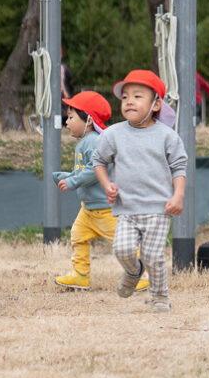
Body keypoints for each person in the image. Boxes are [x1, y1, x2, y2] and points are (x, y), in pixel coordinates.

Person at [93, 70, 187, 313]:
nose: (129, 101)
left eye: (137, 96)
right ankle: (134, 271)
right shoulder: (113, 134)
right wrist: (106, 185)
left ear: (156, 104)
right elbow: (98, 160)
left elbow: (179, 167)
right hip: (126, 208)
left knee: (154, 256)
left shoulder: (167, 136)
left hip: (158, 208)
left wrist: (178, 196)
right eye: (125, 97)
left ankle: (160, 297)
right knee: (122, 250)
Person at [53, 91, 149, 292]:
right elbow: (84, 171)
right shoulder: (85, 142)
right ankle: (80, 275)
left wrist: (72, 181)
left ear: (88, 120)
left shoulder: (94, 141)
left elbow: (95, 170)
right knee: (78, 236)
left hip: (106, 209)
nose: (66, 122)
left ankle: (142, 274)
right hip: (89, 209)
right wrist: (67, 176)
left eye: (71, 117)